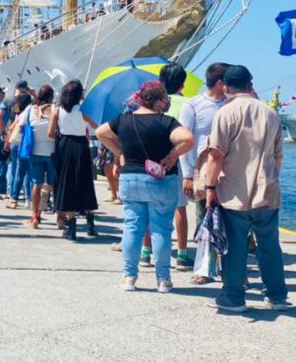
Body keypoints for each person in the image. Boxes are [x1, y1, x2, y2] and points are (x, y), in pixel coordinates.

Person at [203, 65, 288, 312]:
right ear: (251, 84)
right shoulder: (271, 113)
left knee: (235, 246)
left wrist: (210, 187)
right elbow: (278, 156)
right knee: (269, 245)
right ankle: (277, 295)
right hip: (268, 192)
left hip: (234, 193)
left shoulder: (226, 113)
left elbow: (216, 155)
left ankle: (233, 297)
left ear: (225, 87)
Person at [96, 81, 194, 293]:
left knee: (132, 227)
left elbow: (100, 132)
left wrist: (118, 152)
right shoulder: (166, 122)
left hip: (130, 179)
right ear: (158, 101)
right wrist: (172, 155)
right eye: (165, 100)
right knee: (161, 229)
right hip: (161, 180)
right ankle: (163, 279)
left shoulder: (123, 120)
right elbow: (187, 138)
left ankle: (129, 277)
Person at [178, 62, 230, 284]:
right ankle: (204, 268)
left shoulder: (231, 105)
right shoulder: (193, 105)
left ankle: (229, 268)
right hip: (203, 171)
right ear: (220, 83)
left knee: (231, 221)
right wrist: (188, 175)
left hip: (228, 171)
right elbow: (185, 140)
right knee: (204, 219)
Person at [49, 80, 99, 239]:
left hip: (64, 145)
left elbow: (50, 133)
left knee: (66, 183)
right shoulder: (84, 110)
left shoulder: (58, 110)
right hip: (81, 145)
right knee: (85, 183)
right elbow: (96, 126)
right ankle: (91, 224)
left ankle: (71, 227)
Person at [158, 62, 193, 271]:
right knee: (180, 207)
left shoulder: (155, 103)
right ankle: (181, 253)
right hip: (179, 159)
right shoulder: (189, 103)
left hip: (154, 158)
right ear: (182, 84)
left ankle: (146, 252)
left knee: (152, 206)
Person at [20, 85, 56, 229]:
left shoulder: (30, 109)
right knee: (54, 185)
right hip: (52, 151)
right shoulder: (55, 109)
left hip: (35, 151)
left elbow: (21, 126)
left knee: (37, 184)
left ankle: (34, 217)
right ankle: (60, 217)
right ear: (52, 97)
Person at [6, 93, 34, 209]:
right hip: (27, 143)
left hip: (17, 143)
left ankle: (13, 197)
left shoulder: (18, 112)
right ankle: (28, 198)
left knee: (17, 171)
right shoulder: (30, 111)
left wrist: (7, 141)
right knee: (28, 173)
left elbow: (12, 127)